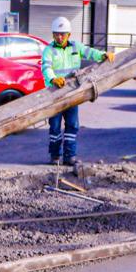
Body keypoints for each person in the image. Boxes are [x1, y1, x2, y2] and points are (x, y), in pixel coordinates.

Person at [41, 16, 114, 165]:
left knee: (72, 125)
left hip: (73, 93)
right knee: (54, 126)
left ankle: (70, 156)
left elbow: (90, 52)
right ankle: (55, 156)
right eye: (56, 34)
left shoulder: (76, 47)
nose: (59, 37)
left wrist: (103, 55)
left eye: (62, 34)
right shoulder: (49, 50)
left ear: (69, 35)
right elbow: (46, 68)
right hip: (54, 94)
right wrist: (53, 78)